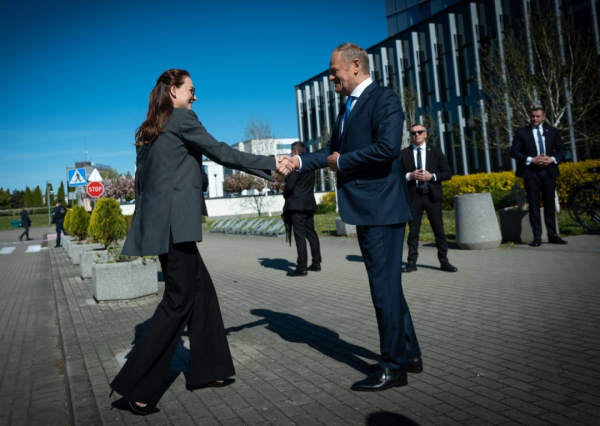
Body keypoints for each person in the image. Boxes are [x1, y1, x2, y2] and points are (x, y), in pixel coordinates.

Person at [109, 69, 291, 415]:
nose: (195, 96)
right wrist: (272, 163)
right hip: (175, 227)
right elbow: (221, 151)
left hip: (161, 227)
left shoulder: (149, 129)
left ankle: (211, 369)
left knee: (201, 293)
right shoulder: (181, 119)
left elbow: (147, 183)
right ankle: (136, 386)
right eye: (191, 90)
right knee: (177, 302)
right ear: (173, 91)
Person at [286, 43, 422, 392]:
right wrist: (297, 161)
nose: (331, 77)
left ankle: (392, 367)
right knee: (389, 286)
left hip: (381, 210)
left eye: (334, 71)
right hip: (369, 209)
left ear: (356, 65)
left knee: (383, 288)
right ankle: (409, 354)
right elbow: (329, 151)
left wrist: (342, 162)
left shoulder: (384, 99)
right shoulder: (347, 106)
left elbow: (387, 149)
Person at [400, 124, 457, 273]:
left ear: (425, 134)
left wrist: (432, 177)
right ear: (410, 136)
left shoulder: (435, 151)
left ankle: (444, 261)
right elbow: (396, 175)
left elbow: (447, 173)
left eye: (420, 132)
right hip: (413, 197)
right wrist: (409, 175)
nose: (416, 135)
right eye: (413, 133)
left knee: (439, 231)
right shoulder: (404, 154)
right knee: (413, 232)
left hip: (432, 197)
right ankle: (411, 262)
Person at [509, 107, 568, 246]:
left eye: (537, 116)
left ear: (543, 117)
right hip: (531, 173)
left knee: (549, 204)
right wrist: (531, 159)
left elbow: (562, 150)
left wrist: (552, 159)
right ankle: (537, 236)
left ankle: (553, 235)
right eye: (532, 116)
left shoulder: (552, 131)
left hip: (549, 172)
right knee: (534, 204)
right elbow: (514, 151)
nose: (534, 118)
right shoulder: (522, 132)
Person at [283, 142, 322, 277]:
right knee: (311, 234)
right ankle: (316, 263)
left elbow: (289, 186)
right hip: (309, 203)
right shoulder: (310, 165)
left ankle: (301, 267)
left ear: (295, 152)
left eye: (291, 151)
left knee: (300, 236)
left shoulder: (296, 166)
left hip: (296, 205)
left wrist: (285, 193)